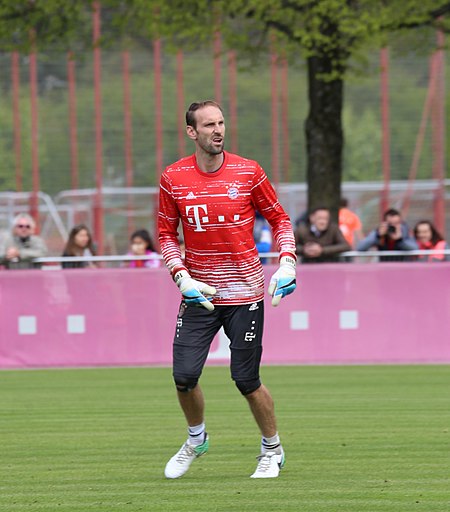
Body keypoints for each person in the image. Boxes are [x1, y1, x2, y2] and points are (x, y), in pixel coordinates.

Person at [158, 100, 296, 480]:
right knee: (184, 377)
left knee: (246, 380)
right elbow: (166, 235)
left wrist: (287, 261)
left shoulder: (248, 172)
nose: (217, 130)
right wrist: (181, 277)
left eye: (220, 123)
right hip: (199, 295)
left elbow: (280, 218)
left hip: (246, 293)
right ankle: (196, 439)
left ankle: (272, 448)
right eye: (208, 125)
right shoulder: (173, 178)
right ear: (192, 132)